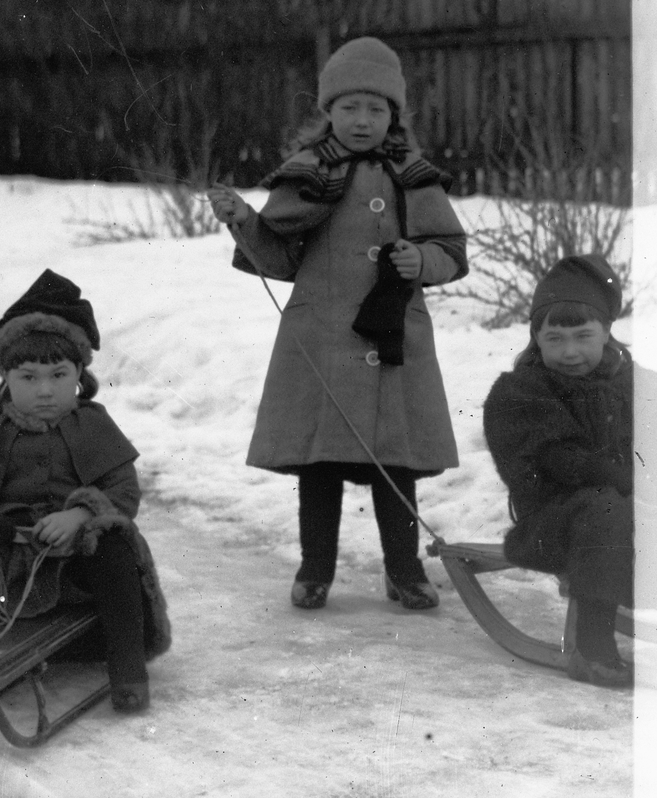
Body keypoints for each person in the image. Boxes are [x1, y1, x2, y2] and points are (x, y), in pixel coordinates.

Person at [206, 37, 467, 611]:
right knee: (320, 463)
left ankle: (404, 573)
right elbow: (276, 258)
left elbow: (450, 249)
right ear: (327, 112)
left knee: (393, 465)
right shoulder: (305, 175)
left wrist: (421, 260)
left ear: (394, 116)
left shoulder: (413, 176)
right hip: (320, 340)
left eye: (376, 109)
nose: (362, 120)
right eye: (349, 107)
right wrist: (244, 220)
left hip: (391, 334)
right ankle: (314, 569)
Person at [0, 269, 171, 713]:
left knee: (115, 549)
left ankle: (127, 668)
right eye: (28, 377)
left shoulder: (92, 424)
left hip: (78, 557)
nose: (45, 391)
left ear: (79, 372)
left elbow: (123, 492)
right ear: (6, 379)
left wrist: (81, 515)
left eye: (59, 375)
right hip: (11, 562)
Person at [483, 254, 633, 688]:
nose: (570, 352)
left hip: (627, 518)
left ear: (606, 332)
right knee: (605, 508)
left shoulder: (637, 386)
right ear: (536, 340)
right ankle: (592, 646)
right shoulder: (520, 392)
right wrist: (616, 475)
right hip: (553, 524)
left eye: (584, 336)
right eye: (555, 339)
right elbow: (553, 458)